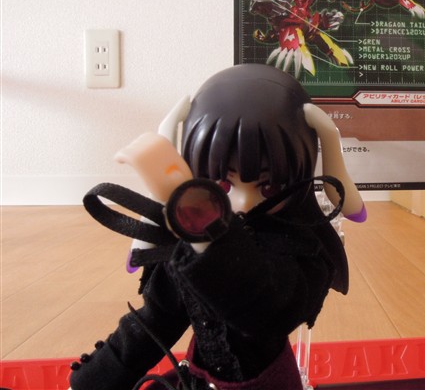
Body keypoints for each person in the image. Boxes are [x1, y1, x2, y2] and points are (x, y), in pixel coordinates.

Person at [69, 64, 365, 390]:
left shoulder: (301, 249)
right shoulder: (187, 250)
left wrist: (206, 233)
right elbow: (156, 321)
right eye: (223, 185)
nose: (244, 203)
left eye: (269, 187)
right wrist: (92, 381)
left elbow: (270, 311)